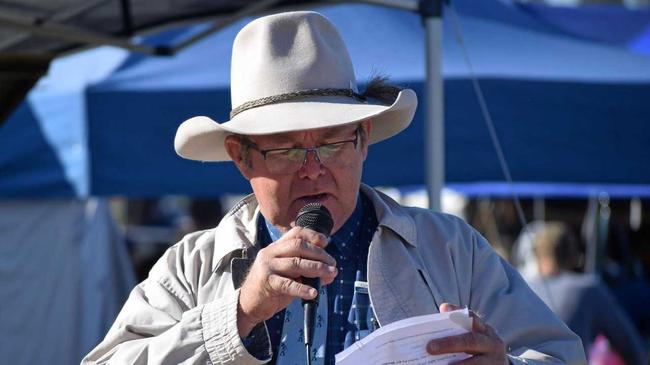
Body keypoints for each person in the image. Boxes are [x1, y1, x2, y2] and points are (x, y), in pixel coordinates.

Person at [83, 11, 585, 365]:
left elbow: (560, 356)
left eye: (333, 143)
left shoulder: (450, 250)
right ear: (240, 157)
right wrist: (237, 313)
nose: (313, 169)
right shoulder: (192, 267)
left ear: (364, 140)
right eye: (284, 150)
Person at [526, 222, 647, 365]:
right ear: (574, 255)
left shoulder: (522, 288)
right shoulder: (587, 289)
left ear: (537, 256)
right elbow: (631, 346)